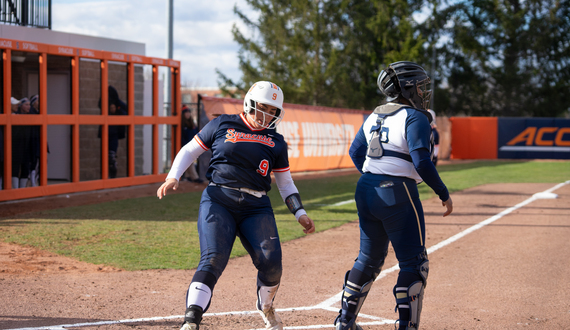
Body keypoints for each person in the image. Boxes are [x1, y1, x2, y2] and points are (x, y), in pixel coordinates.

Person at [156, 81, 315, 330]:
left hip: (257, 205)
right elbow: (189, 151)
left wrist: (300, 213)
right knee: (213, 258)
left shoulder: (276, 141)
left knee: (272, 263)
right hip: (219, 198)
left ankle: (266, 307)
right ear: (250, 103)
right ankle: (191, 320)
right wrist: (173, 176)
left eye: (274, 110)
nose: (269, 114)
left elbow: (286, 183)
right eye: (265, 107)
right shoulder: (222, 123)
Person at [333, 61, 453, 330]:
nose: (424, 92)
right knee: (415, 264)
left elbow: (355, 152)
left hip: (366, 188)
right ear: (408, 89)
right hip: (397, 192)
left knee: (369, 258)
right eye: (421, 87)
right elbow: (422, 162)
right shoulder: (415, 117)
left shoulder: (374, 115)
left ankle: (345, 321)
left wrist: (373, 174)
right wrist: (443, 193)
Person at [98, 86, 127, 178]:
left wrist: (117, 108)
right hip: (106, 133)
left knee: (111, 155)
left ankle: (111, 172)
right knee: (106, 155)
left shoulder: (119, 106)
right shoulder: (104, 105)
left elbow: (126, 110)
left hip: (114, 134)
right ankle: (107, 174)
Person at [180, 105, 201, 183]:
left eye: (189, 112)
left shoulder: (192, 124)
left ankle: (188, 176)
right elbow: (182, 137)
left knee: (189, 161)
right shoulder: (182, 125)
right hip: (186, 146)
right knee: (189, 160)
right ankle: (195, 177)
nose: (188, 114)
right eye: (186, 112)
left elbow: (196, 134)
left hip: (193, 145)